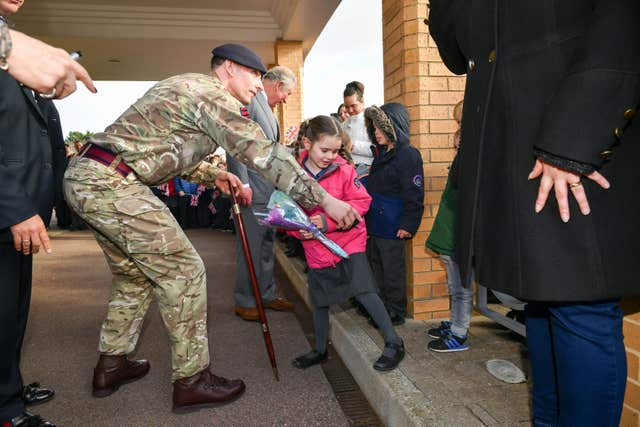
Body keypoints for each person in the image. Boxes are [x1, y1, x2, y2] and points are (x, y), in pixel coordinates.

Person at [63, 43, 362, 413]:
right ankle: (192, 380)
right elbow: (263, 152)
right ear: (231, 69)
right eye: (255, 75)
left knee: (135, 277)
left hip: (92, 177)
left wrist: (213, 174)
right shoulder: (210, 94)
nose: (259, 84)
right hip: (112, 183)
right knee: (184, 271)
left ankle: (112, 365)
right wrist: (323, 200)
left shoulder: (189, 89)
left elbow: (163, 152)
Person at [429, 1, 640, 425]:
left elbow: (621, 23)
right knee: (542, 302)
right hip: (510, 149)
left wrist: (572, 142)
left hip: (576, 139)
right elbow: (455, 53)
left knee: (579, 305)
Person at [289, 115, 405, 371]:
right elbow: (290, 214)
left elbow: (362, 203)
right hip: (317, 249)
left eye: (336, 150)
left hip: (348, 242)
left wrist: (327, 222)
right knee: (320, 300)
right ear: (307, 144)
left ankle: (394, 342)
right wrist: (300, 233)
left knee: (365, 291)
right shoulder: (295, 176)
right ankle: (320, 349)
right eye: (325, 150)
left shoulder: (344, 170)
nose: (331, 156)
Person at [227, 66, 296, 321]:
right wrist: (242, 183)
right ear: (277, 85)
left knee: (266, 246)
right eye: (287, 93)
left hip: (267, 191)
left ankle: (265, 294)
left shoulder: (267, 107)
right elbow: (235, 142)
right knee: (250, 248)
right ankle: (245, 300)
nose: (287, 99)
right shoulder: (251, 101)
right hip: (252, 190)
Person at [364, 103, 425, 326]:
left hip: (393, 224)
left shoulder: (408, 155)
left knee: (393, 271)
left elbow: (415, 193)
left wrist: (408, 223)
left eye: (380, 128)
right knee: (377, 267)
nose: (376, 132)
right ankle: (380, 308)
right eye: (374, 128)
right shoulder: (381, 155)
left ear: (394, 127)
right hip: (376, 223)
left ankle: (395, 310)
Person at [425, 100, 473, 352]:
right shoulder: (464, 155)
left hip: (459, 231)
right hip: (450, 228)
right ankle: (456, 323)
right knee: (455, 285)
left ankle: (459, 333)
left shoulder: (474, 154)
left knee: (460, 287)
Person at [341, 81, 374, 168]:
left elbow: (377, 148)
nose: (350, 110)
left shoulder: (371, 120)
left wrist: (353, 145)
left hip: (367, 169)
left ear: (362, 101)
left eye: (353, 106)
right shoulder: (344, 125)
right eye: (347, 107)